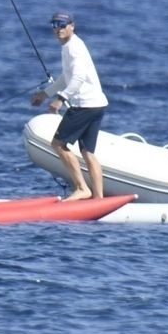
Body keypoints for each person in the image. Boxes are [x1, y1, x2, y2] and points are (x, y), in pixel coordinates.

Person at [31, 11, 108, 201]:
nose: (58, 29)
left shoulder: (74, 48)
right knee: (88, 153)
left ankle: (82, 188)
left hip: (84, 106)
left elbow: (78, 78)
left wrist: (60, 99)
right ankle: (98, 199)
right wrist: (45, 94)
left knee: (58, 144)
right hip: (97, 104)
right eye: (54, 25)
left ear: (72, 26)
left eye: (62, 25)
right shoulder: (69, 46)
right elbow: (66, 78)